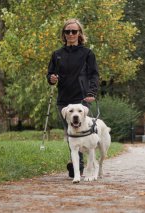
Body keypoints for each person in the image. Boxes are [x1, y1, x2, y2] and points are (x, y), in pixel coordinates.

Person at [46, 18, 99, 178]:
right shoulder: (57, 54)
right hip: (64, 100)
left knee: (83, 129)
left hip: (82, 98)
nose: (70, 34)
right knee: (70, 131)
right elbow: (50, 74)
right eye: (67, 31)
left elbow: (94, 75)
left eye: (74, 31)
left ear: (79, 33)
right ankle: (78, 164)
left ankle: (84, 165)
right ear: (64, 34)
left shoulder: (87, 53)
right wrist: (51, 79)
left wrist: (91, 93)